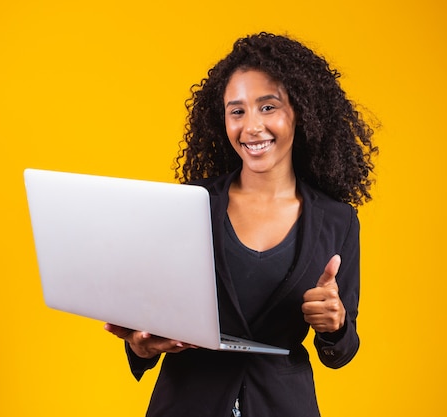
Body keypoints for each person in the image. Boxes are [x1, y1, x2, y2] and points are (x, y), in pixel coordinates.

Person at [105, 32, 377, 416]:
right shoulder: (187, 205)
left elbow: (341, 352)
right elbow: (152, 320)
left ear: (301, 110)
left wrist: (335, 325)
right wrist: (139, 346)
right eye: (237, 111)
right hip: (186, 402)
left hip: (283, 405)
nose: (251, 127)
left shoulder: (338, 220)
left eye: (268, 107)